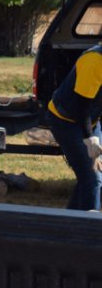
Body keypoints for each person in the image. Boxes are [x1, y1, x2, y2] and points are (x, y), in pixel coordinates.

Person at [46, 44, 102, 210]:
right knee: (93, 178)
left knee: (89, 176)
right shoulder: (94, 61)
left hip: (91, 119)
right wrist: (89, 138)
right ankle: (87, 230)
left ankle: (69, 223)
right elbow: (81, 106)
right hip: (65, 120)